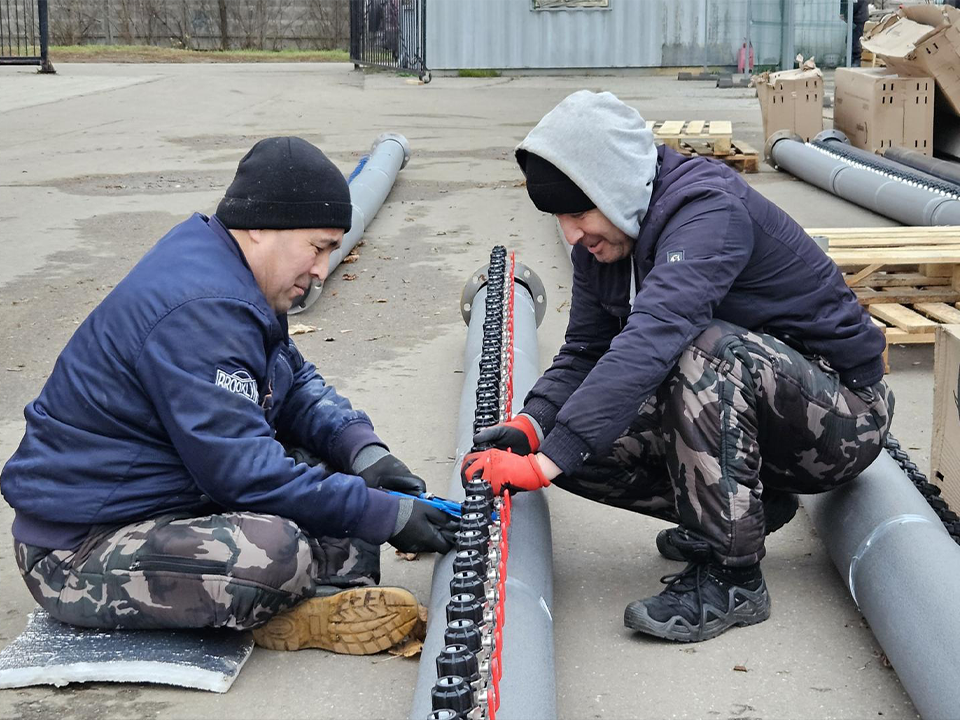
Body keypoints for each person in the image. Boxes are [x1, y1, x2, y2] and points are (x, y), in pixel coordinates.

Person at [461, 91, 893, 643]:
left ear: (614, 189)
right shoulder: (608, 241)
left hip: (842, 415)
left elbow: (656, 335)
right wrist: (535, 426)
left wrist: (551, 458)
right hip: (763, 419)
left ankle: (733, 578)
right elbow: (587, 351)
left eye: (577, 213)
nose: (571, 234)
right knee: (578, 442)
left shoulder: (709, 211)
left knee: (703, 351)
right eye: (559, 218)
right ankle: (747, 511)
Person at [1, 136, 458, 655]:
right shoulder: (201, 308)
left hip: (163, 500)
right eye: (319, 247)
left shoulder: (233, 271)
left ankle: (312, 597)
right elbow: (245, 474)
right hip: (78, 547)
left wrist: (365, 455)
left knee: (338, 481)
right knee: (273, 553)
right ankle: (276, 607)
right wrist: (386, 515)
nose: (322, 271)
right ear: (263, 227)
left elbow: (293, 382)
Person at [840, 0, 871, 67]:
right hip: (858, 17)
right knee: (851, 39)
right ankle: (852, 59)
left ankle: (856, 60)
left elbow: (854, 5)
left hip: (858, 18)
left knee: (856, 40)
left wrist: (845, 14)